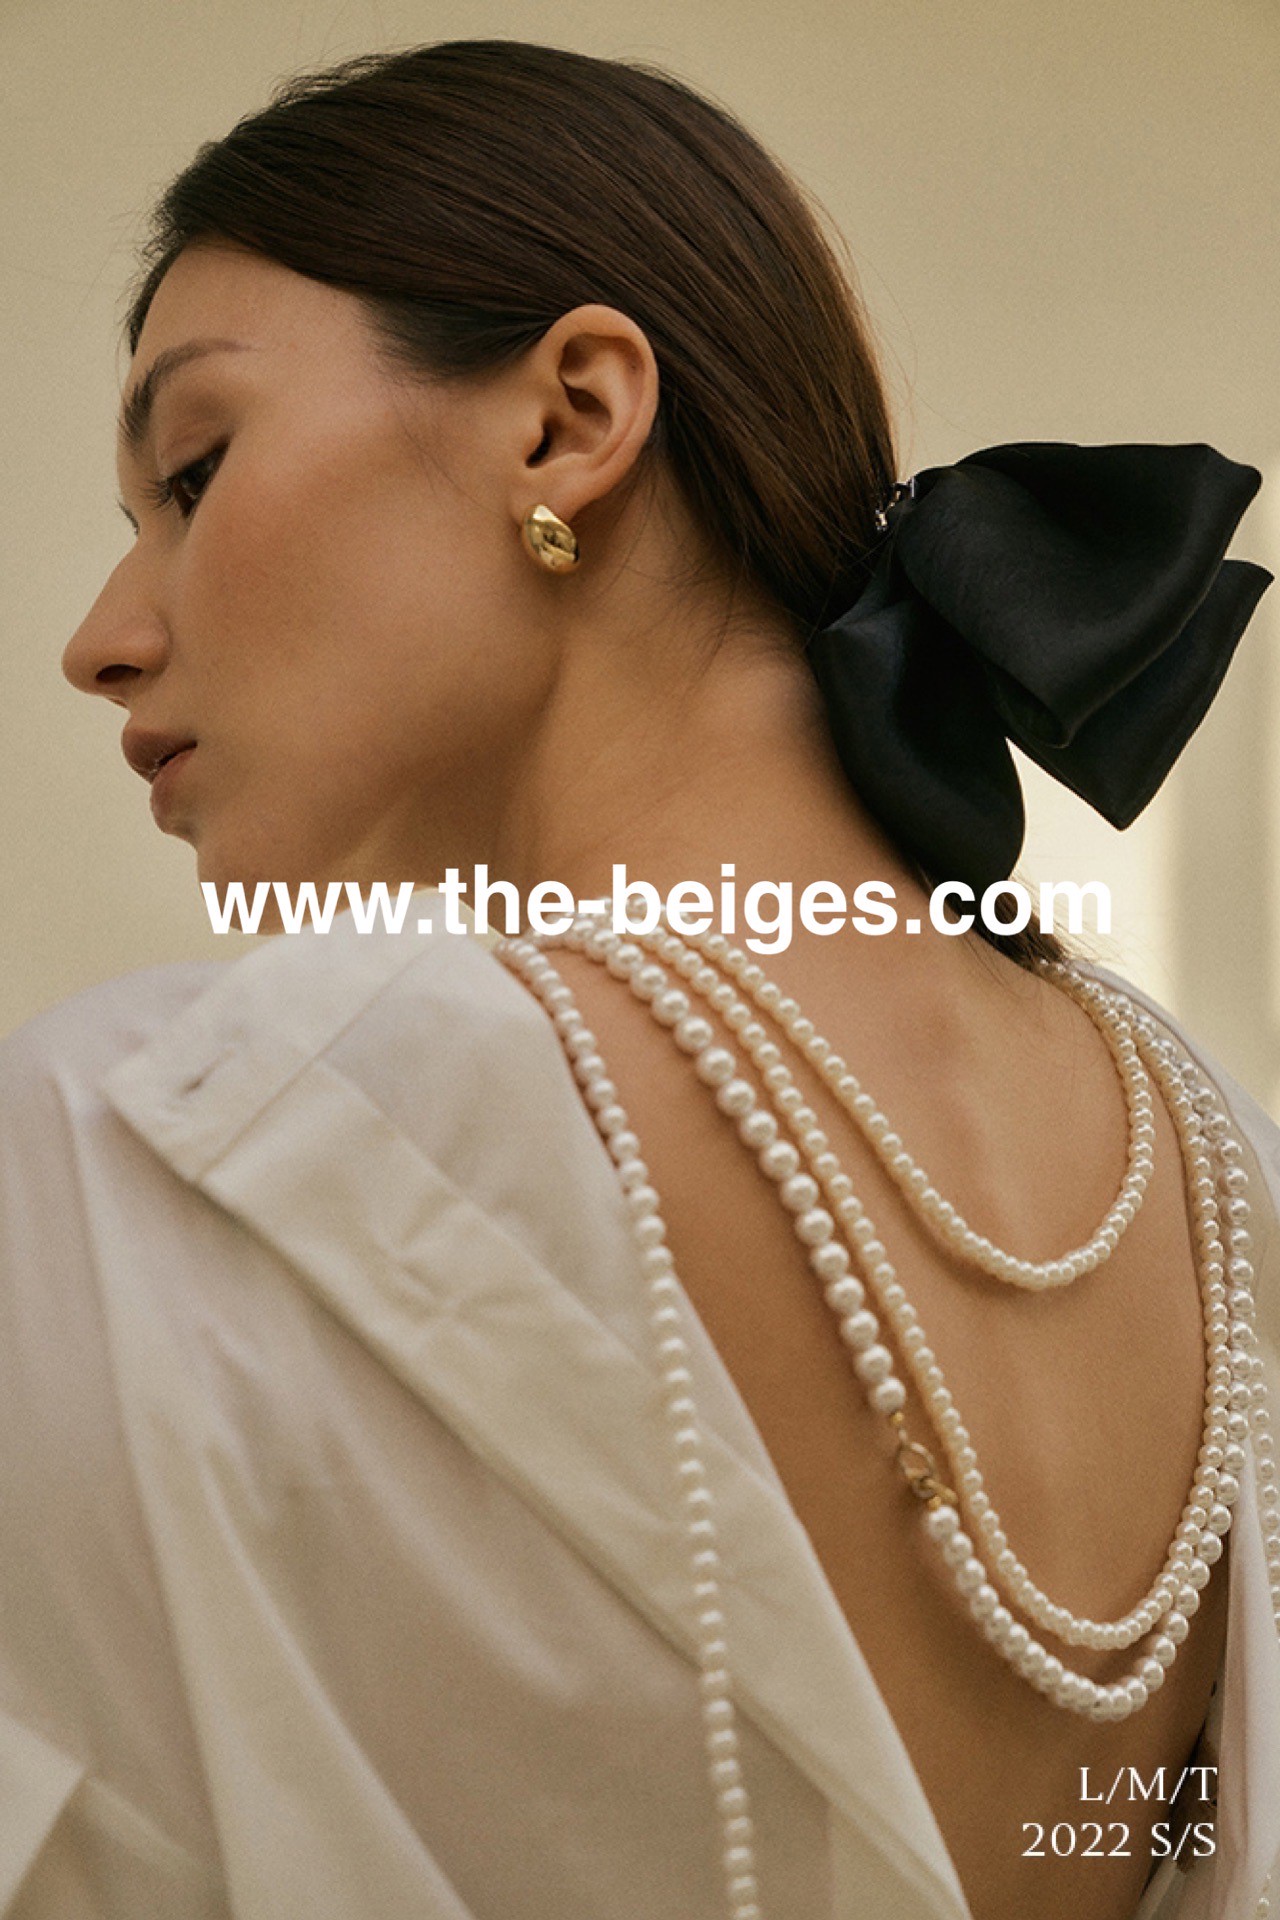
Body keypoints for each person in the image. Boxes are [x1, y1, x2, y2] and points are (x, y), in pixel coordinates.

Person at [1, 36, 1275, 1920]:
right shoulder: (1224, 1180)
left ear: (570, 420)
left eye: (193, 471)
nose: (102, 642)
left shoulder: (139, 1156)